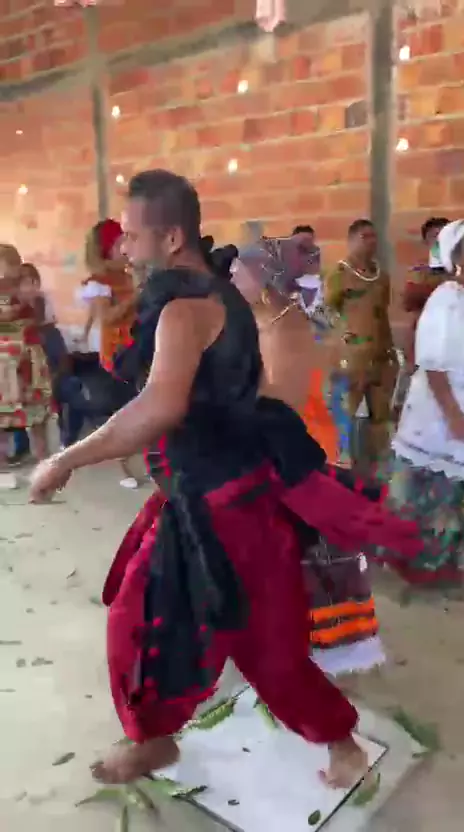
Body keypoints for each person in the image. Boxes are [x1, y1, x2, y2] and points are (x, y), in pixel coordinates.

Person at [30, 170, 421, 788]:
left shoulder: (186, 309)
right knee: (153, 622)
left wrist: (65, 459)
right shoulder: (216, 294)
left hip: (227, 508)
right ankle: (156, 739)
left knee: (252, 642)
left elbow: (158, 408)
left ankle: (332, 742)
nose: (123, 248)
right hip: (205, 496)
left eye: (132, 236)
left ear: (172, 237)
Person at [231, 238, 385, 676]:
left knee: (309, 562)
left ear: (264, 282)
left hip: (302, 457)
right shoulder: (260, 320)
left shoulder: (288, 328)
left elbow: (278, 407)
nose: (230, 280)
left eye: (238, 273)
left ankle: (316, 658)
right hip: (284, 453)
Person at [387, 219, 464, 588]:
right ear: (457, 258)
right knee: (425, 492)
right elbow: (433, 364)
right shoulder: (447, 298)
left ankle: (440, 563)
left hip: (456, 407)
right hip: (439, 410)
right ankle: (412, 567)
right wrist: (454, 416)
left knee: (449, 496)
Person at [324, 220, 398, 471]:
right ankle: (341, 467)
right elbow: (327, 312)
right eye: (365, 237)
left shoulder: (381, 277)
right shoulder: (338, 275)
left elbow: (382, 315)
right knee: (345, 415)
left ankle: (380, 471)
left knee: (381, 417)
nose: (371, 242)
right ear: (351, 240)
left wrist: (390, 352)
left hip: (379, 357)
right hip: (350, 358)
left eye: (374, 237)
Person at [78, 218, 139, 488]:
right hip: (117, 351)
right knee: (123, 410)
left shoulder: (127, 275)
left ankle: (139, 460)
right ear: (106, 250)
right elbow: (108, 317)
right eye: (120, 244)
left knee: (139, 404)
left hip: (136, 345)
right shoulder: (99, 283)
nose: (126, 248)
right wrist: (138, 296)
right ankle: (122, 468)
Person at [0, 244, 52, 484]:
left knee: (37, 415)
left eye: (11, 264)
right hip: (5, 362)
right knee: (3, 418)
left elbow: (35, 317)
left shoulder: (27, 288)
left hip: (28, 358)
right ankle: (2, 468)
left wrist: (21, 302)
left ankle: (45, 464)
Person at [402, 217, 449, 369]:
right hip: (425, 342)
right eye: (434, 236)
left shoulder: (459, 269)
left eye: (444, 236)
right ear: (426, 242)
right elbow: (408, 302)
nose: (440, 241)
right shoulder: (419, 271)